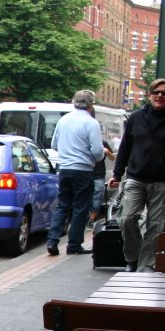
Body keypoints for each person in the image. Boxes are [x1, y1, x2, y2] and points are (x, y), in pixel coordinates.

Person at [108, 78, 165, 273]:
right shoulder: (136, 118)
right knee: (126, 219)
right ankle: (133, 257)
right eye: (156, 92)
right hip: (136, 178)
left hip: (161, 181)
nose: (160, 96)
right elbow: (125, 148)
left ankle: (145, 266)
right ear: (149, 95)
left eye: (164, 93)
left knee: (158, 225)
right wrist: (117, 174)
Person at [45, 90, 103, 256]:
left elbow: (54, 144)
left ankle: (52, 241)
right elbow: (98, 151)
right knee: (80, 207)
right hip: (83, 169)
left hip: (64, 168)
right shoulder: (91, 123)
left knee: (62, 205)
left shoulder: (64, 120)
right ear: (91, 105)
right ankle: (74, 244)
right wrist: (94, 156)